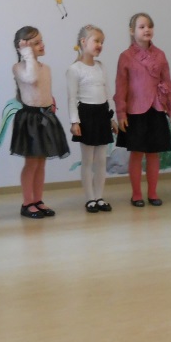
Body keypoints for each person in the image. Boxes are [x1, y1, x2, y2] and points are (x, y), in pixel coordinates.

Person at [114, 12, 171, 207]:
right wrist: (121, 113)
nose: (146, 29)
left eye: (149, 26)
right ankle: (136, 194)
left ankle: (153, 193)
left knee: (153, 153)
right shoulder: (125, 57)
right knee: (136, 153)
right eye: (142, 27)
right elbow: (121, 87)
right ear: (132, 31)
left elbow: (167, 84)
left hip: (156, 109)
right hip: (135, 111)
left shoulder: (160, 55)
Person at [10, 26, 70, 219]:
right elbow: (31, 78)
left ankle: (37, 199)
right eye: (36, 43)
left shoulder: (46, 68)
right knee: (31, 162)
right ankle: (27, 202)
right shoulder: (19, 68)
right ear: (23, 48)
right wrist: (27, 54)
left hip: (45, 117)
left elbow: (43, 90)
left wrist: (51, 103)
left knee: (41, 162)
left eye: (41, 41)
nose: (42, 45)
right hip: (30, 119)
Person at [66, 24, 118, 213]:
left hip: (102, 114)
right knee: (88, 160)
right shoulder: (75, 69)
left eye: (102, 42)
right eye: (96, 41)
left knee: (101, 160)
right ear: (83, 42)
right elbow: (72, 98)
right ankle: (90, 198)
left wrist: (112, 117)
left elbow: (108, 93)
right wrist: (75, 121)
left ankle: (99, 196)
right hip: (86, 116)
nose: (100, 45)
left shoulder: (101, 67)